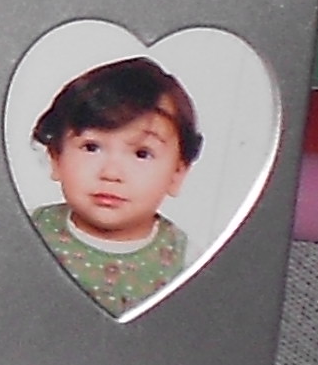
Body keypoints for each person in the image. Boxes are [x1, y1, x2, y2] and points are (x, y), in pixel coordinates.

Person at [31, 54, 203, 317]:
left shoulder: (187, 260)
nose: (111, 173)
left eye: (142, 153)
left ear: (177, 174)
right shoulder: (29, 232)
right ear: (56, 158)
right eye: (91, 147)